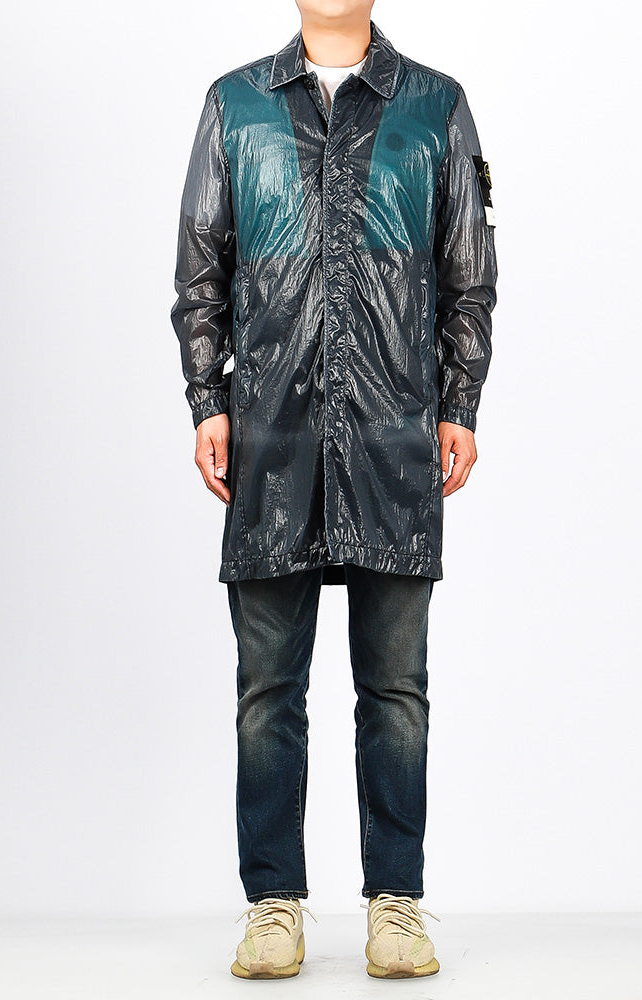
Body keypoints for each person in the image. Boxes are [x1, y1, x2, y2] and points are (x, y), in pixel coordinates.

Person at [169, 0, 497, 981]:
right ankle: (273, 904)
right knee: (266, 691)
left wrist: (461, 402)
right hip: (271, 434)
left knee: (396, 690)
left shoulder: (436, 107)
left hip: (395, 435)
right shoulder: (235, 106)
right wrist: (207, 399)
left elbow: (469, 272)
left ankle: (397, 902)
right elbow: (201, 271)